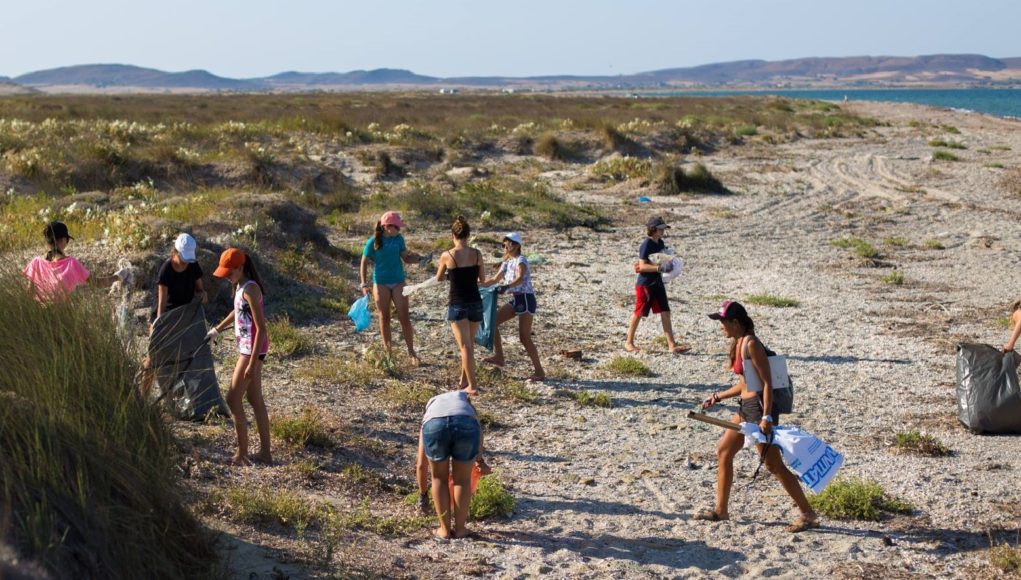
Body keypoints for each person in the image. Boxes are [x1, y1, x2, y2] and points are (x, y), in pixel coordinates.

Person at [696, 300, 819, 533]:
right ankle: (721, 510)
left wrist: (766, 418)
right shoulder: (739, 342)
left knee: (774, 465)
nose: (720, 326)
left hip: (759, 411)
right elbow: (745, 384)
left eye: (722, 322)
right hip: (745, 408)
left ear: (735, 322)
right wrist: (717, 396)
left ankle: (808, 514)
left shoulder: (752, 344)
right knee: (724, 452)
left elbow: (767, 384)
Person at [207, 248, 272, 466]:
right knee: (254, 400)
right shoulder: (240, 287)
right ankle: (265, 453)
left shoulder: (251, 289)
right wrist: (217, 329)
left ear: (240, 267)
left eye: (229, 272)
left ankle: (242, 454)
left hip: (252, 349)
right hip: (249, 347)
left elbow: (261, 328)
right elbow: (238, 311)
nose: (226, 276)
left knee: (232, 399)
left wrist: (252, 364)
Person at [418, 389, 484, 539]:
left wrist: (423, 495)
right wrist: (480, 460)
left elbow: (421, 465)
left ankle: (444, 530)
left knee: (439, 478)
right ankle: (460, 529)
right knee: (462, 480)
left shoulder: (430, 413)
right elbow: (479, 433)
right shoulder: (467, 406)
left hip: (435, 426)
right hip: (466, 424)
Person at [481, 232, 545, 381]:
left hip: (526, 299)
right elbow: (494, 279)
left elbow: (520, 278)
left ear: (516, 246)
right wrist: (477, 285)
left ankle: (539, 371)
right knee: (493, 322)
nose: (504, 247)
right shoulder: (506, 263)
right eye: (503, 245)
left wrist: (506, 286)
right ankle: (499, 356)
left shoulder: (521, 260)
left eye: (507, 244)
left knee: (524, 337)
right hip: (516, 299)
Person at [360, 211, 420, 365]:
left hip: (398, 281)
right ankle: (388, 353)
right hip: (380, 282)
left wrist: (418, 259)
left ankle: (411, 351)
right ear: (387, 227)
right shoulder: (373, 241)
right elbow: (364, 261)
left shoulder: (399, 239)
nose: (399, 230)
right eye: (396, 227)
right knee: (384, 317)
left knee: (404, 317)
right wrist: (363, 284)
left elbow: (405, 258)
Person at [624, 217, 690, 354]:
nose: (663, 231)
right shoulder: (646, 245)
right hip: (646, 284)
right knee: (639, 312)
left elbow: (659, 262)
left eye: (663, 228)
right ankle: (628, 343)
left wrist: (669, 265)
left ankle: (672, 346)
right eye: (661, 229)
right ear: (653, 229)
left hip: (657, 282)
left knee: (665, 312)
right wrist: (659, 268)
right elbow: (641, 266)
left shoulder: (660, 243)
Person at [435, 216, 485, 394]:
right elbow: (482, 279)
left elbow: (439, 277)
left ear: (452, 235)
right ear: (468, 235)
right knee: (469, 345)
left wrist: (452, 276)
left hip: (458, 303)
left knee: (465, 347)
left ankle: (473, 385)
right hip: (476, 302)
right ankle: (464, 380)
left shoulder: (447, 255)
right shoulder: (477, 254)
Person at [23, 221, 129, 301]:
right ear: (64, 240)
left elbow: (29, 294)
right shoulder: (71, 263)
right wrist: (119, 275)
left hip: (39, 318)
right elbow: (97, 283)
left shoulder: (36, 262)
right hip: (61, 319)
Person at [153, 233, 207, 323]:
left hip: (185, 311)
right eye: (184, 258)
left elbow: (200, 289)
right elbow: (162, 302)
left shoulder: (193, 265)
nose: (186, 262)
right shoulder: (166, 270)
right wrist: (159, 323)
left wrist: (202, 294)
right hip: (167, 312)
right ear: (176, 252)